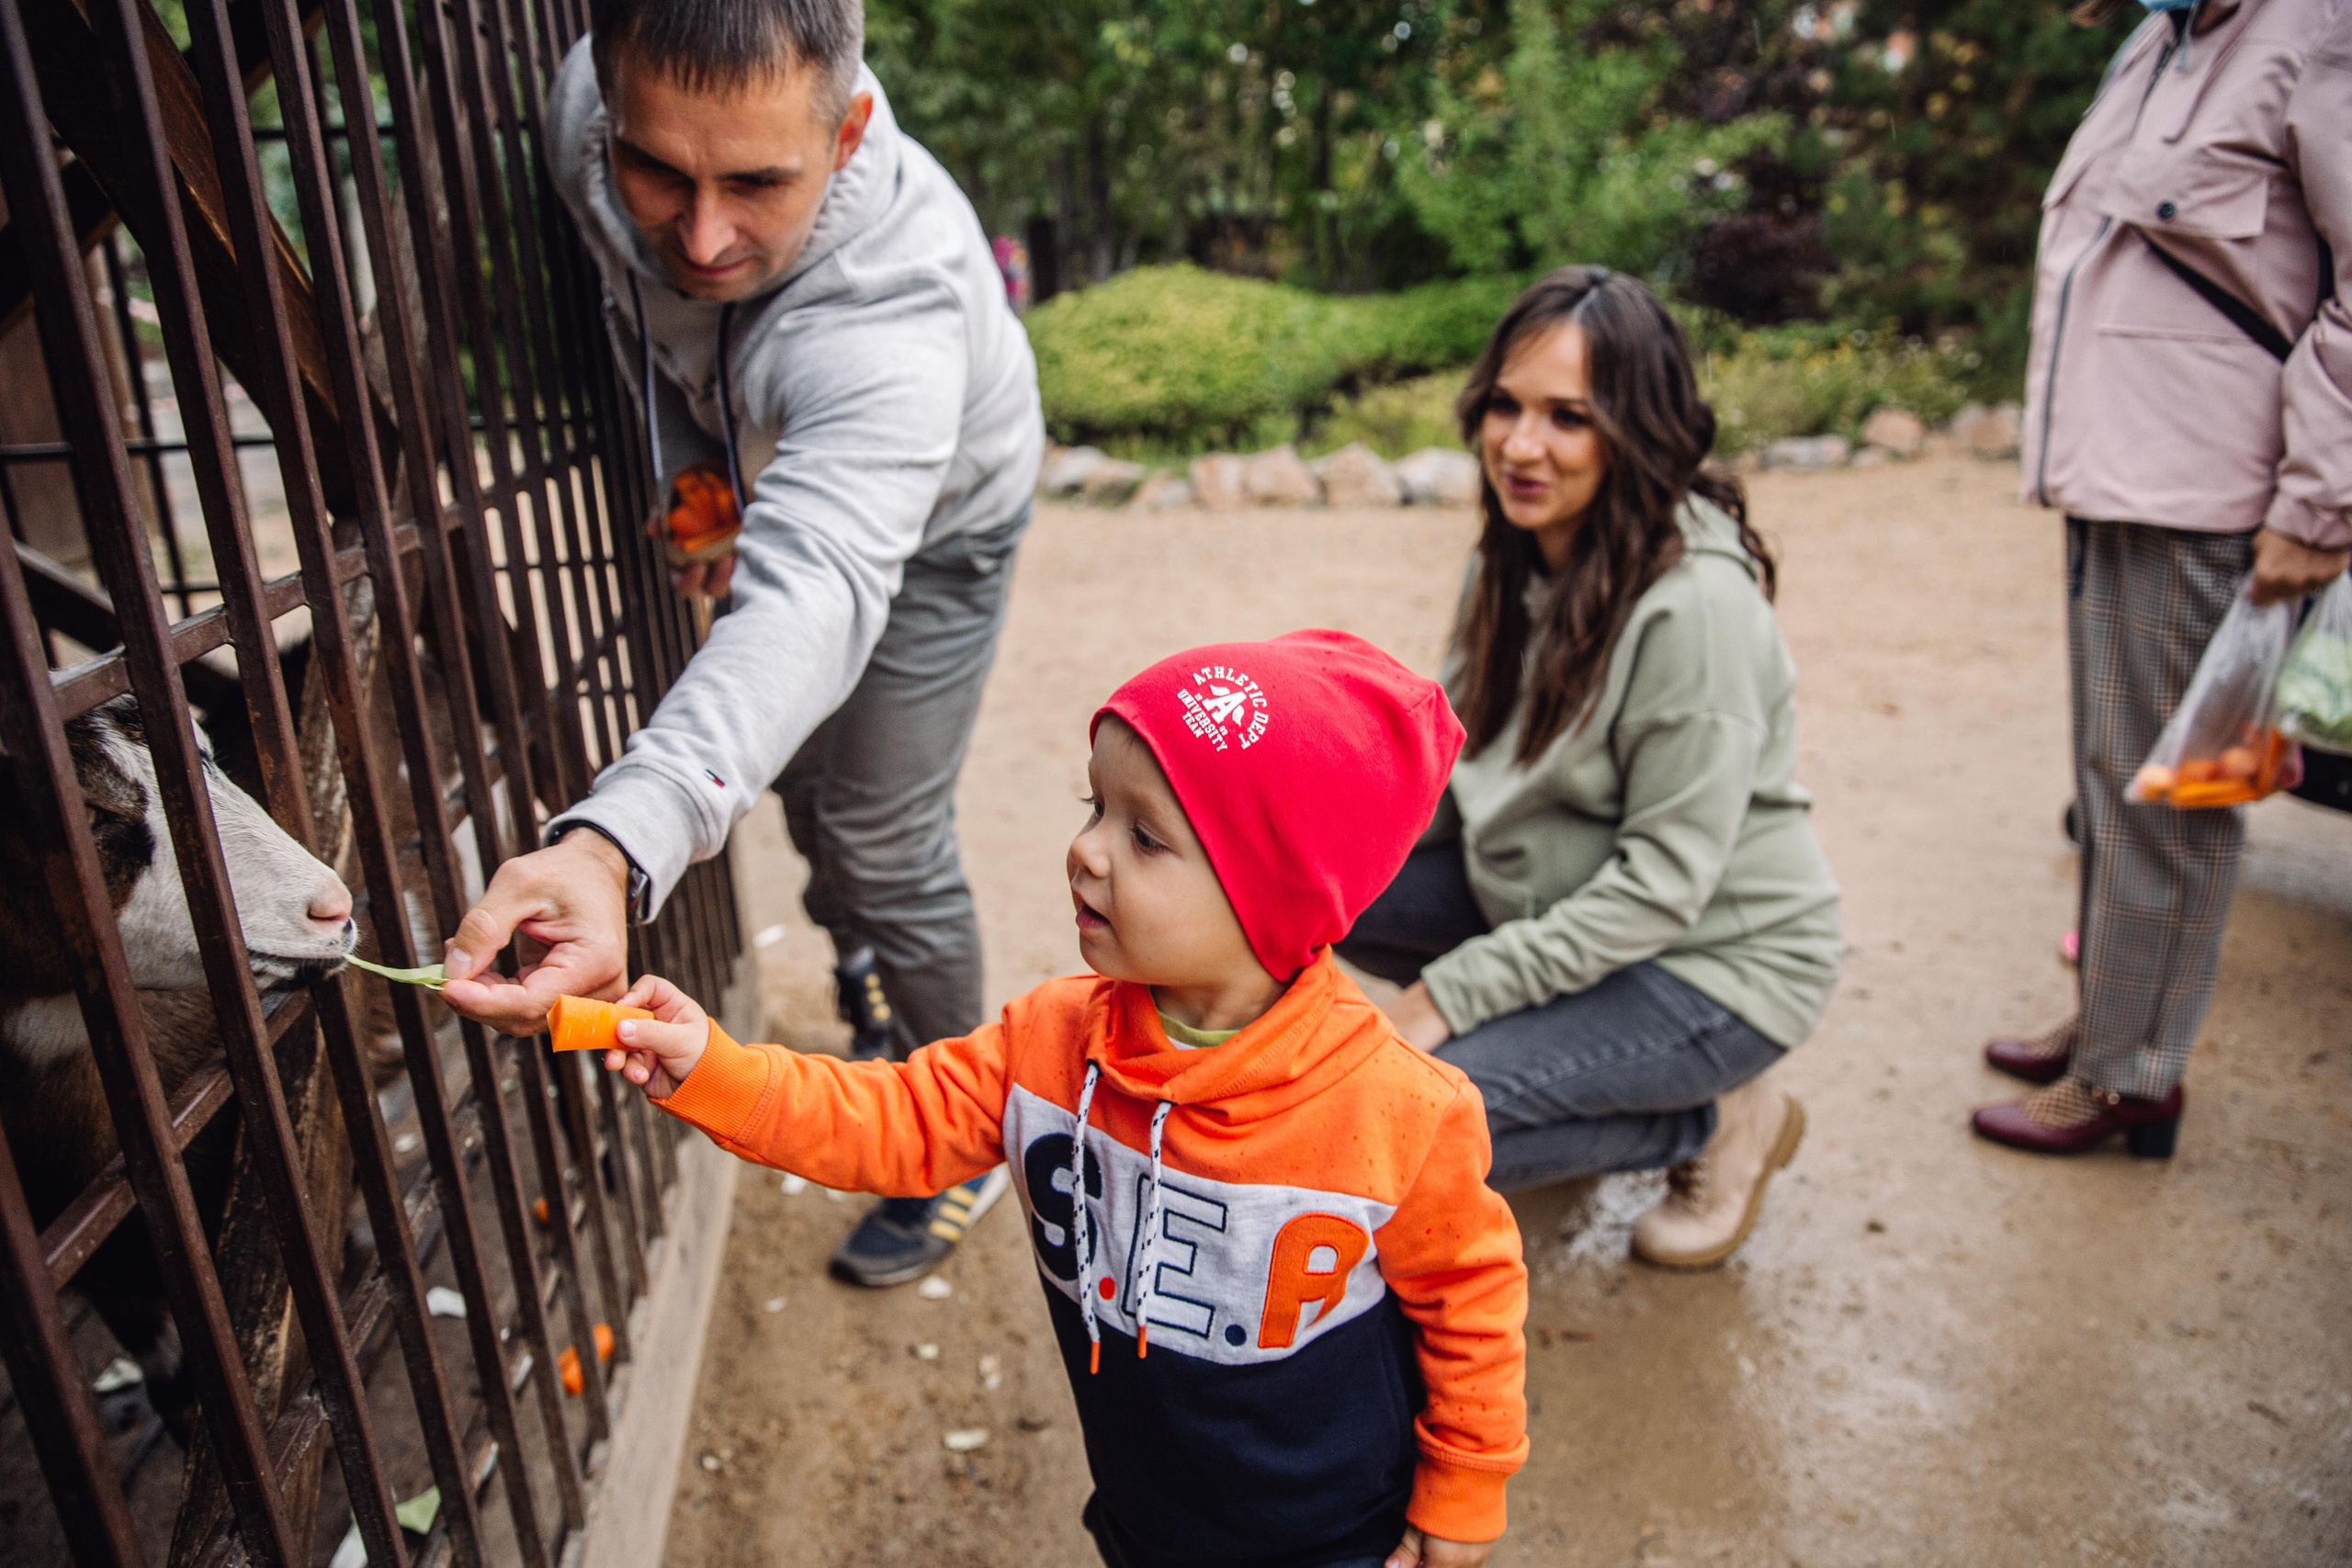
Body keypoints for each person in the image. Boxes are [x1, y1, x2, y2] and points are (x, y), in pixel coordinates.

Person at [599, 633, 1529, 1568]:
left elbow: (1469, 1299)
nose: (1084, 850)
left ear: (1271, 898)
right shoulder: (1046, 1045)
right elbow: (888, 1120)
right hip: (1142, 1501)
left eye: (1144, 835)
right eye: (1094, 807)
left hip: (1334, 1530)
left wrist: (1463, 1490)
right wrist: (713, 1069)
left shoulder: (1398, 1111)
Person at [435, 0, 1045, 1287]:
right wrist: (704, 482)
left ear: (850, 130)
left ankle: (974, 1129)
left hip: (935, 526)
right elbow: (653, 318)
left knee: (881, 829)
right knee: (805, 789)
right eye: (658, 171)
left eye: (758, 183)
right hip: (771, 476)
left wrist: (609, 841)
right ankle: (869, 971)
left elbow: (818, 588)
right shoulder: (578, 125)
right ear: (604, 111)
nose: (701, 237)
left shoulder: (897, 305)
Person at [1336, 266, 1842, 1270]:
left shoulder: (1696, 608)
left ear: (1635, 430)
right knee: (1318, 889)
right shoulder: (1513, 555)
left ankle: (1709, 1118)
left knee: (1428, 1118)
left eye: (1568, 417)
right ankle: (1572, 1077)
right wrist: (1307, 855)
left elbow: (1662, 887)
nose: (1520, 447)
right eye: (1506, 407)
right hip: (1556, 890)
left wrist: (1450, 996)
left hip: (1712, 961)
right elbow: (1451, 769)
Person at [1981, 0, 2351, 1155]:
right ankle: (2109, 1021)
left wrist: (2318, 499)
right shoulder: (2164, 36)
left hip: (2211, 488)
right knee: (2108, 771)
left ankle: (2135, 1072)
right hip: (2115, 472)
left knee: (2176, 793)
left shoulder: (2314, 31)